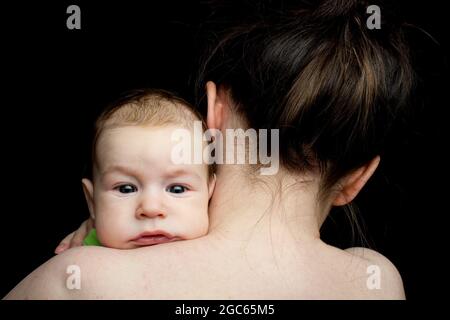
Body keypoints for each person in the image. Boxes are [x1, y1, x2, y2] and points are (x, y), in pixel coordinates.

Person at [4, 0, 413, 299]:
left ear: (213, 115)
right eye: (127, 189)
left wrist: (100, 237)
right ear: (357, 179)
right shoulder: (375, 283)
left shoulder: (79, 280)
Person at [72, 89, 216, 249]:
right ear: (92, 203)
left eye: (177, 189)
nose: (151, 208)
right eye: (126, 189)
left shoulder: (225, 249)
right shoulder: (81, 262)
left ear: (210, 197)